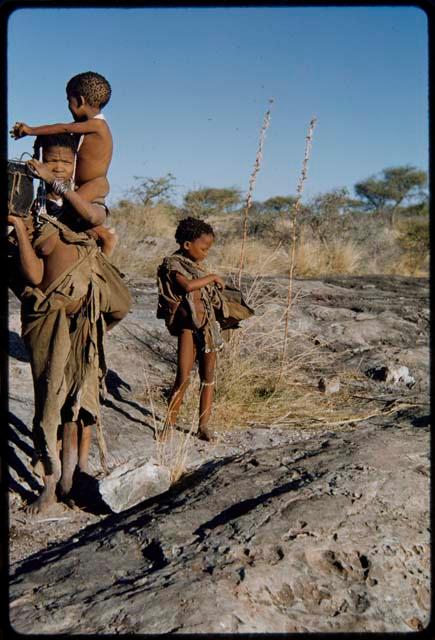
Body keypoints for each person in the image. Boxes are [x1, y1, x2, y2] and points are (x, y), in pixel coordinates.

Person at [7, 133, 131, 514]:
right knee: (50, 401)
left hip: (85, 318)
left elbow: (99, 227)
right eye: (51, 160)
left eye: (65, 162)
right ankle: (49, 483)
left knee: (83, 399)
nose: (58, 166)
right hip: (47, 315)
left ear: (75, 166)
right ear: (36, 159)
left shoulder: (86, 203)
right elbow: (31, 273)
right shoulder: (29, 206)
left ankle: (75, 477)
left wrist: (57, 183)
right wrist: (18, 225)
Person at [156, 217, 254, 442]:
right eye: (204, 248)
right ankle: (168, 425)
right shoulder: (172, 264)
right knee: (182, 376)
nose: (206, 253)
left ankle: (204, 425)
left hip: (208, 327)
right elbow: (187, 286)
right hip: (188, 328)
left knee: (208, 376)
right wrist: (212, 278)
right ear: (187, 245)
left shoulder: (196, 266)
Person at [10, 71, 117, 256]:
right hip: (84, 184)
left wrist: (31, 130)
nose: (68, 105)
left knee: (60, 213)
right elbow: (63, 134)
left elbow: (64, 127)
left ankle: (106, 238)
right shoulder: (88, 126)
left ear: (80, 100)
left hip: (94, 183)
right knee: (70, 219)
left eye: (68, 100)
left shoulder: (98, 125)